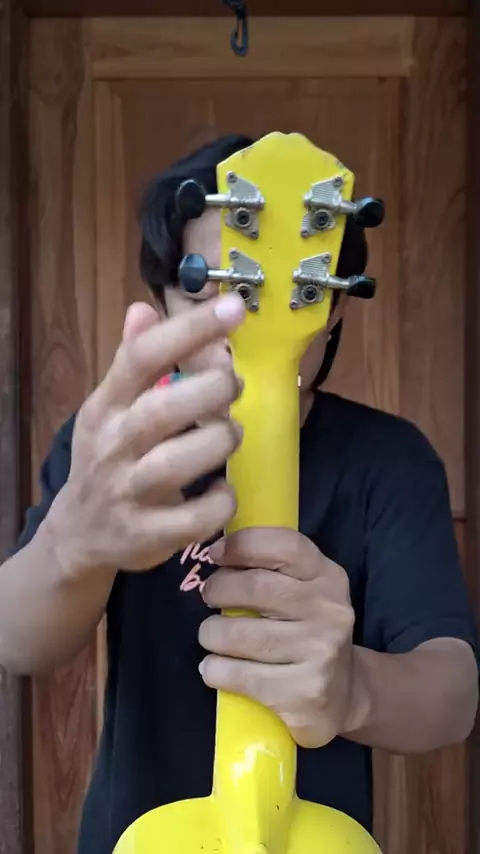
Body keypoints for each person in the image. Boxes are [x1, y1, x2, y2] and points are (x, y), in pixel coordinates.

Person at [0, 134, 478, 854]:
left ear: (331, 305)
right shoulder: (114, 450)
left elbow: (453, 693)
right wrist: (71, 546)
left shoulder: (390, 460)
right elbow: (17, 642)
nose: (238, 319)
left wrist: (354, 688)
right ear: (162, 304)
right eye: (204, 283)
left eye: (272, 286)